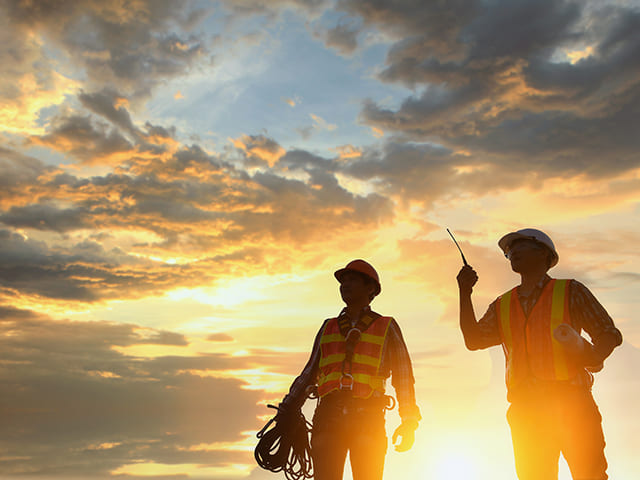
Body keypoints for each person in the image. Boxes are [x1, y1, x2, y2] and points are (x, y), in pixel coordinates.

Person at [456, 228, 623, 480]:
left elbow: (608, 333)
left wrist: (594, 356)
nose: (513, 253)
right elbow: (474, 340)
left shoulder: (570, 290)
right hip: (527, 409)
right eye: (510, 251)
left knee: (589, 475)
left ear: (545, 255)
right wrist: (465, 292)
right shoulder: (502, 304)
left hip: (572, 403)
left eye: (520, 246)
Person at [280, 259, 421, 480]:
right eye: (343, 281)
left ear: (370, 288)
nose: (345, 285)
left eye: (352, 280)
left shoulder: (387, 326)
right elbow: (309, 374)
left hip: (368, 416)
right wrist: (286, 410)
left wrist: (409, 421)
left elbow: (404, 377)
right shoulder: (329, 326)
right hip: (328, 416)